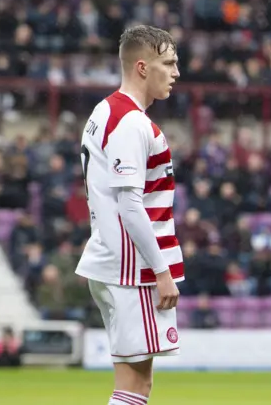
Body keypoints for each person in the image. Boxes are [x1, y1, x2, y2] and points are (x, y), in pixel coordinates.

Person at [75, 25, 183, 405]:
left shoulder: (103, 110)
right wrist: (162, 271)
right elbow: (130, 204)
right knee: (136, 388)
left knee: (131, 385)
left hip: (111, 261)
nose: (176, 72)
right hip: (131, 271)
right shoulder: (132, 123)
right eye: (168, 63)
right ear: (142, 67)